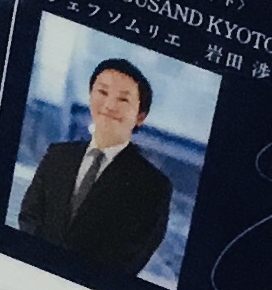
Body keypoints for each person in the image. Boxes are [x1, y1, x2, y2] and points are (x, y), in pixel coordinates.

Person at [17, 56, 173, 277]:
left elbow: (134, 255)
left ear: (140, 116)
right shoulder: (58, 155)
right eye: (102, 92)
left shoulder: (153, 185)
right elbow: (29, 216)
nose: (109, 105)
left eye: (123, 99)